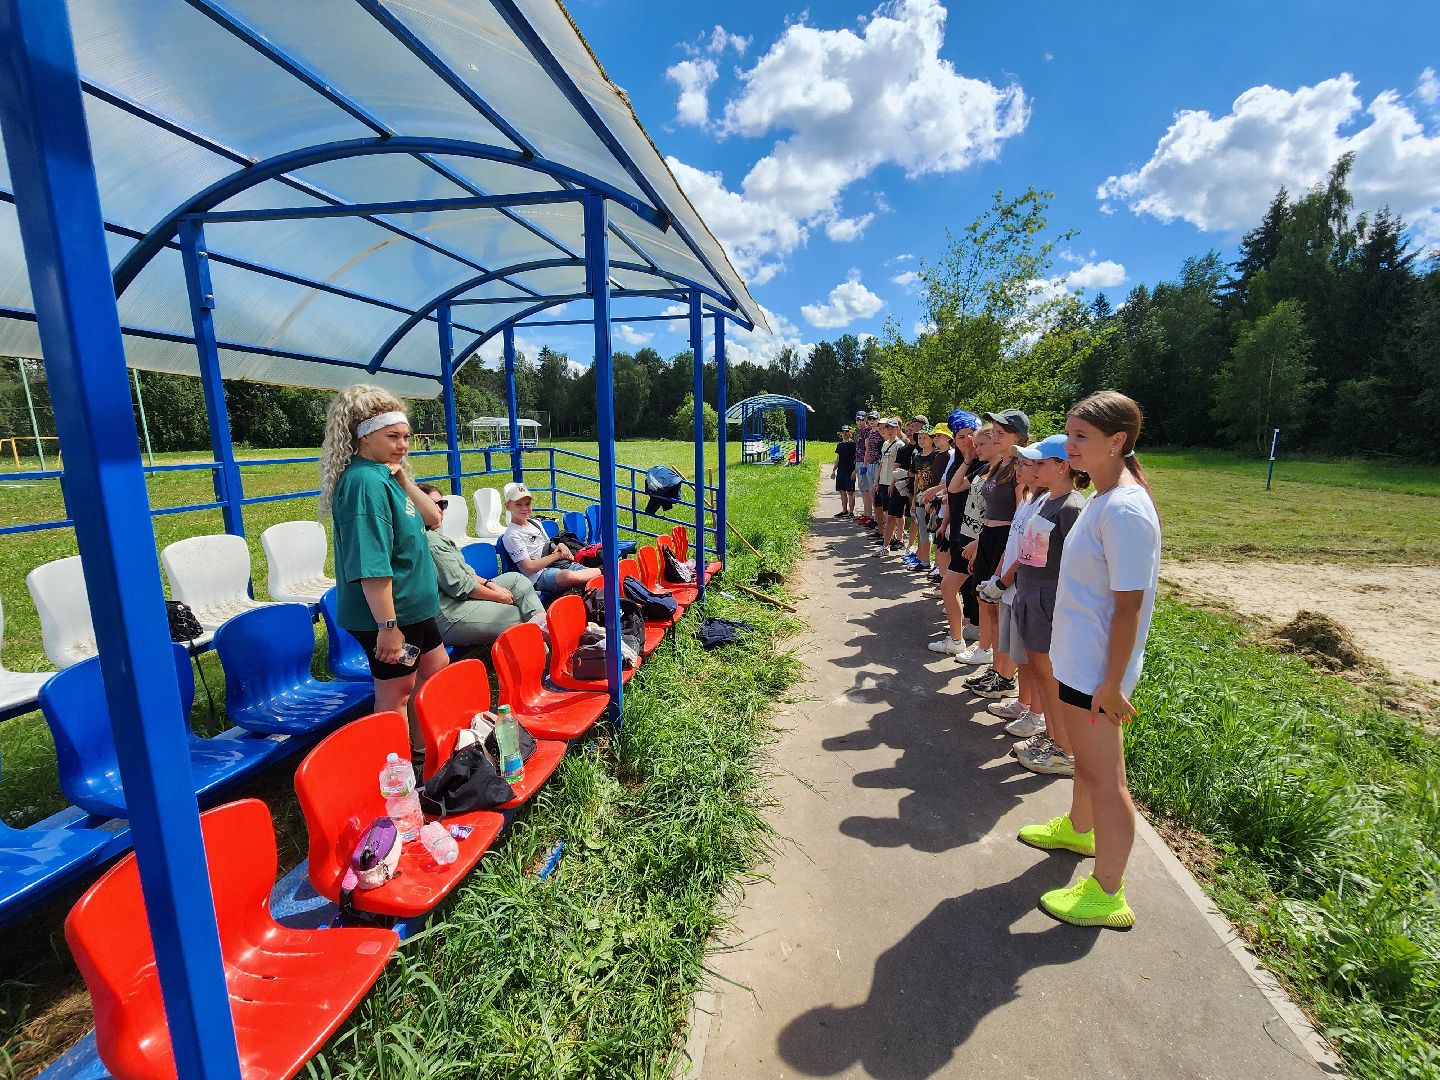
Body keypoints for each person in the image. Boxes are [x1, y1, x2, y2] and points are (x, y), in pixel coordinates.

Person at [1019, 391, 1161, 929]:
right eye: (1069, 434)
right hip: (1078, 663)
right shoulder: (1105, 498)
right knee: (1087, 763)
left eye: (1081, 437)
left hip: (1099, 674)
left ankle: (1108, 891)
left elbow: (1130, 604)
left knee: (1108, 779)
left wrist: (1112, 683)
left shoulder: (1124, 508)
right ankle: (1079, 829)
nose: (1070, 445)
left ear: (1117, 441)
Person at [320, 384, 447, 757]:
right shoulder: (363, 483)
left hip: (415, 609)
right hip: (393, 617)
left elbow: (434, 517)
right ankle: (398, 778)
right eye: (392, 436)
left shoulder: (386, 477)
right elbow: (372, 565)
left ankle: (429, 754)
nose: (402, 445)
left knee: (437, 670)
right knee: (396, 694)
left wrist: (404, 478)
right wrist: (388, 629)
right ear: (362, 436)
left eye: (406, 436)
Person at [1000, 435, 1089, 777]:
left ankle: (1065, 749)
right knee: (1038, 671)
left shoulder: (1071, 507)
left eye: (1040, 463)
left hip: (1048, 600)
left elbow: (1076, 564)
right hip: (1032, 595)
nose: (1033, 469)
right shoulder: (1049, 501)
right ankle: (1052, 738)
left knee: (1050, 677)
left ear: (1062, 466)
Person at [416, 483, 547, 648]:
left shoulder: (435, 536)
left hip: (459, 599)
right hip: (449, 614)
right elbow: (461, 587)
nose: (440, 509)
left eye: (442, 504)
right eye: (431, 504)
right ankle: (548, 655)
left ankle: (546, 630)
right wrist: (497, 596)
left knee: (516, 579)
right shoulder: (429, 541)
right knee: (518, 617)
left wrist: (489, 584)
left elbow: (467, 573)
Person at [501, 482, 601, 590]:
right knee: (567, 576)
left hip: (558, 564)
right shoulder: (512, 535)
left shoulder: (535, 523)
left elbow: (547, 545)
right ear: (508, 506)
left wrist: (560, 545)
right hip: (538, 575)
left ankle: (608, 576)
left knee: (589, 577)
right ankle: (605, 570)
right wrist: (557, 555)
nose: (524, 508)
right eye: (518, 504)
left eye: (527, 504)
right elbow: (529, 567)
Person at [831, 425, 857, 517]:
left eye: (847, 431)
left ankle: (851, 512)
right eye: (843, 432)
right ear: (840, 433)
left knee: (850, 492)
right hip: (841, 470)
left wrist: (855, 471)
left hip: (850, 470)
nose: (845, 434)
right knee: (842, 491)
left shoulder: (853, 444)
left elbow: (857, 459)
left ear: (850, 433)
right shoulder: (840, 445)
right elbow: (837, 459)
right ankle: (844, 511)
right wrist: (834, 470)